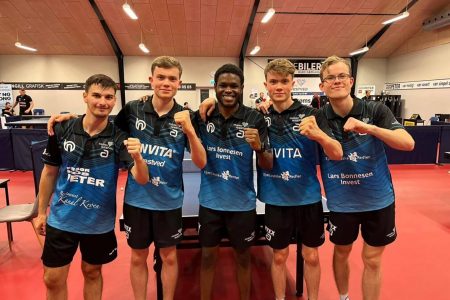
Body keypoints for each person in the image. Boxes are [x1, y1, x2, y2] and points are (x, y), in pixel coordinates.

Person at [48, 56, 207, 300]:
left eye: (172, 78)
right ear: (151, 80)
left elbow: (200, 162)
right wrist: (70, 119)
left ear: (180, 83)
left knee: (170, 257)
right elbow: (103, 123)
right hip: (137, 200)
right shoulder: (132, 109)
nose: (166, 83)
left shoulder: (187, 116)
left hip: (169, 201)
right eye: (161, 77)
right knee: (138, 256)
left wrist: (190, 131)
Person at [35, 74, 149, 300]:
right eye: (96, 95)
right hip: (61, 218)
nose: (102, 102)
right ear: (85, 96)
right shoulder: (62, 128)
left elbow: (142, 178)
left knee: (92, 272)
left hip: (98, 223)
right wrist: (40, 212)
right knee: (52, 278)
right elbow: (49, 172)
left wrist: (138, 158)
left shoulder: (119, 138)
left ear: (114, 101)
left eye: (108, 97)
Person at [318, 55, 415, 300]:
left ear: (351, 81)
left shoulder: (376, 110)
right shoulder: (318, 118)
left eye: (341, 76)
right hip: (341, 203)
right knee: (341, 252)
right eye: (330, 77)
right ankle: (344, 297)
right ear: (322, 86)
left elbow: (408, 143)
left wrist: (369, 128)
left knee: (372, 259)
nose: (336, 81)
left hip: (378, 200)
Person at [259, 59, 342, 300]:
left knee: (312, 256)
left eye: (284, 81)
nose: (279, 87)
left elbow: (336, 152)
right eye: (273, 82)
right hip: (276, 200)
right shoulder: (258, 116)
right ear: (266, 85)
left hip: (308, 199)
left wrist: (318, 135)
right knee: (279, 256)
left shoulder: (313, 115)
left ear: (292, 83)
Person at [197, 64, 273, 300]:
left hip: (242, 204)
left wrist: (259, 148)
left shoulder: (254, 118)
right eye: (223, 85)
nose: (228, 90)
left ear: (241, 88)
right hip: (210, 203)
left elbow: (268, 164)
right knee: (208, 257)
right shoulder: (202, 116)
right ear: (215, 88)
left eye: (234, 86)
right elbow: (172, 114)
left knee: (243, 257)